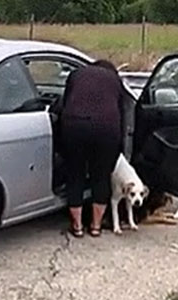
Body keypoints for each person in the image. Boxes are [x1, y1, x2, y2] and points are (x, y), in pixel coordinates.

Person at [58, 59, 125, 238]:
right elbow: (122, 112)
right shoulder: (115, 80)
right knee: (101, 177)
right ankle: (95, 227)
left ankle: (77, 226)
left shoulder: (76, 74)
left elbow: (64, 104)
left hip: (75, 126)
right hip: (106, 129)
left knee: (75, 174)